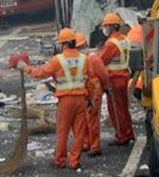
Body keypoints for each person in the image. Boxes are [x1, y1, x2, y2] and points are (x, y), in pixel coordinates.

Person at [20, 28, 89, 170]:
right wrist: (91, 99)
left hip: (66, 101)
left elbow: (40, 73)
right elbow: (90, 79)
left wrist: (25, 68)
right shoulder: (84, 59)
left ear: (63, 44)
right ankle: (74, 161)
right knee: (80, 132)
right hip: (81, 98)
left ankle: (60, 161)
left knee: (63, 131)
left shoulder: (58, 60)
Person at [96, 13, 134, 145]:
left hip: (114, 79)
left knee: (116, 110)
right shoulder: (124, 39)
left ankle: (121, 136)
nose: (104, 29)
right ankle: (128, 132)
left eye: (106, 26)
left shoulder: (111, 44)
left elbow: (100, 60)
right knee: (123, 108)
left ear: (111, 27)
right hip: (123, 77)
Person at [76, 32, 111, 157]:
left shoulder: (92, 58)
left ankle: (95, 146)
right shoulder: (83, 59)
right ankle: (88, 143)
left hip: (92, 91)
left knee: (92, 119)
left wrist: (107, 87)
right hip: (85, 91)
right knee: (85, 119)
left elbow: (103, 74)